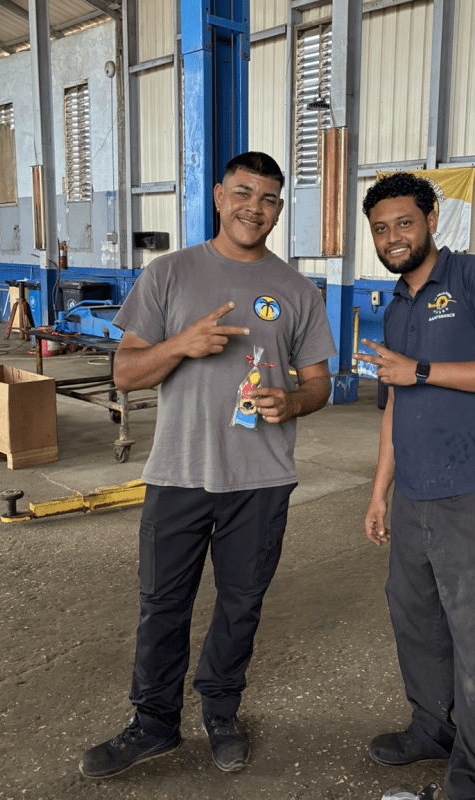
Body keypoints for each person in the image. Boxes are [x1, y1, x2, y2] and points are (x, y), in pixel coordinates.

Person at [79, 152, 337, 779]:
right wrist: (181, 345)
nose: (256, 207)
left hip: (262, 478)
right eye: (244, 192)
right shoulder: (168, 274)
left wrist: (294, 400)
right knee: (163, 603)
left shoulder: (298, 290)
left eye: (270, 198)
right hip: (178, 472)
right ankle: (154, 723)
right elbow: (124, 372)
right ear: (220, 196)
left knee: (241, 603)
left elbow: (320, 384)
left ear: (279, 208)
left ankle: (221, 711)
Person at [354, 172, 475, 800]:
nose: (393, 236)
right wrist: (380, 493)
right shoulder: (396, 303)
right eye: (380, 228)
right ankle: (433, 730)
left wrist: (423, 369)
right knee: (418, 623)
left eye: (404, 222)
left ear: (431, 219)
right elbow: (392, 408)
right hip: (413, 498)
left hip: (472, 493)